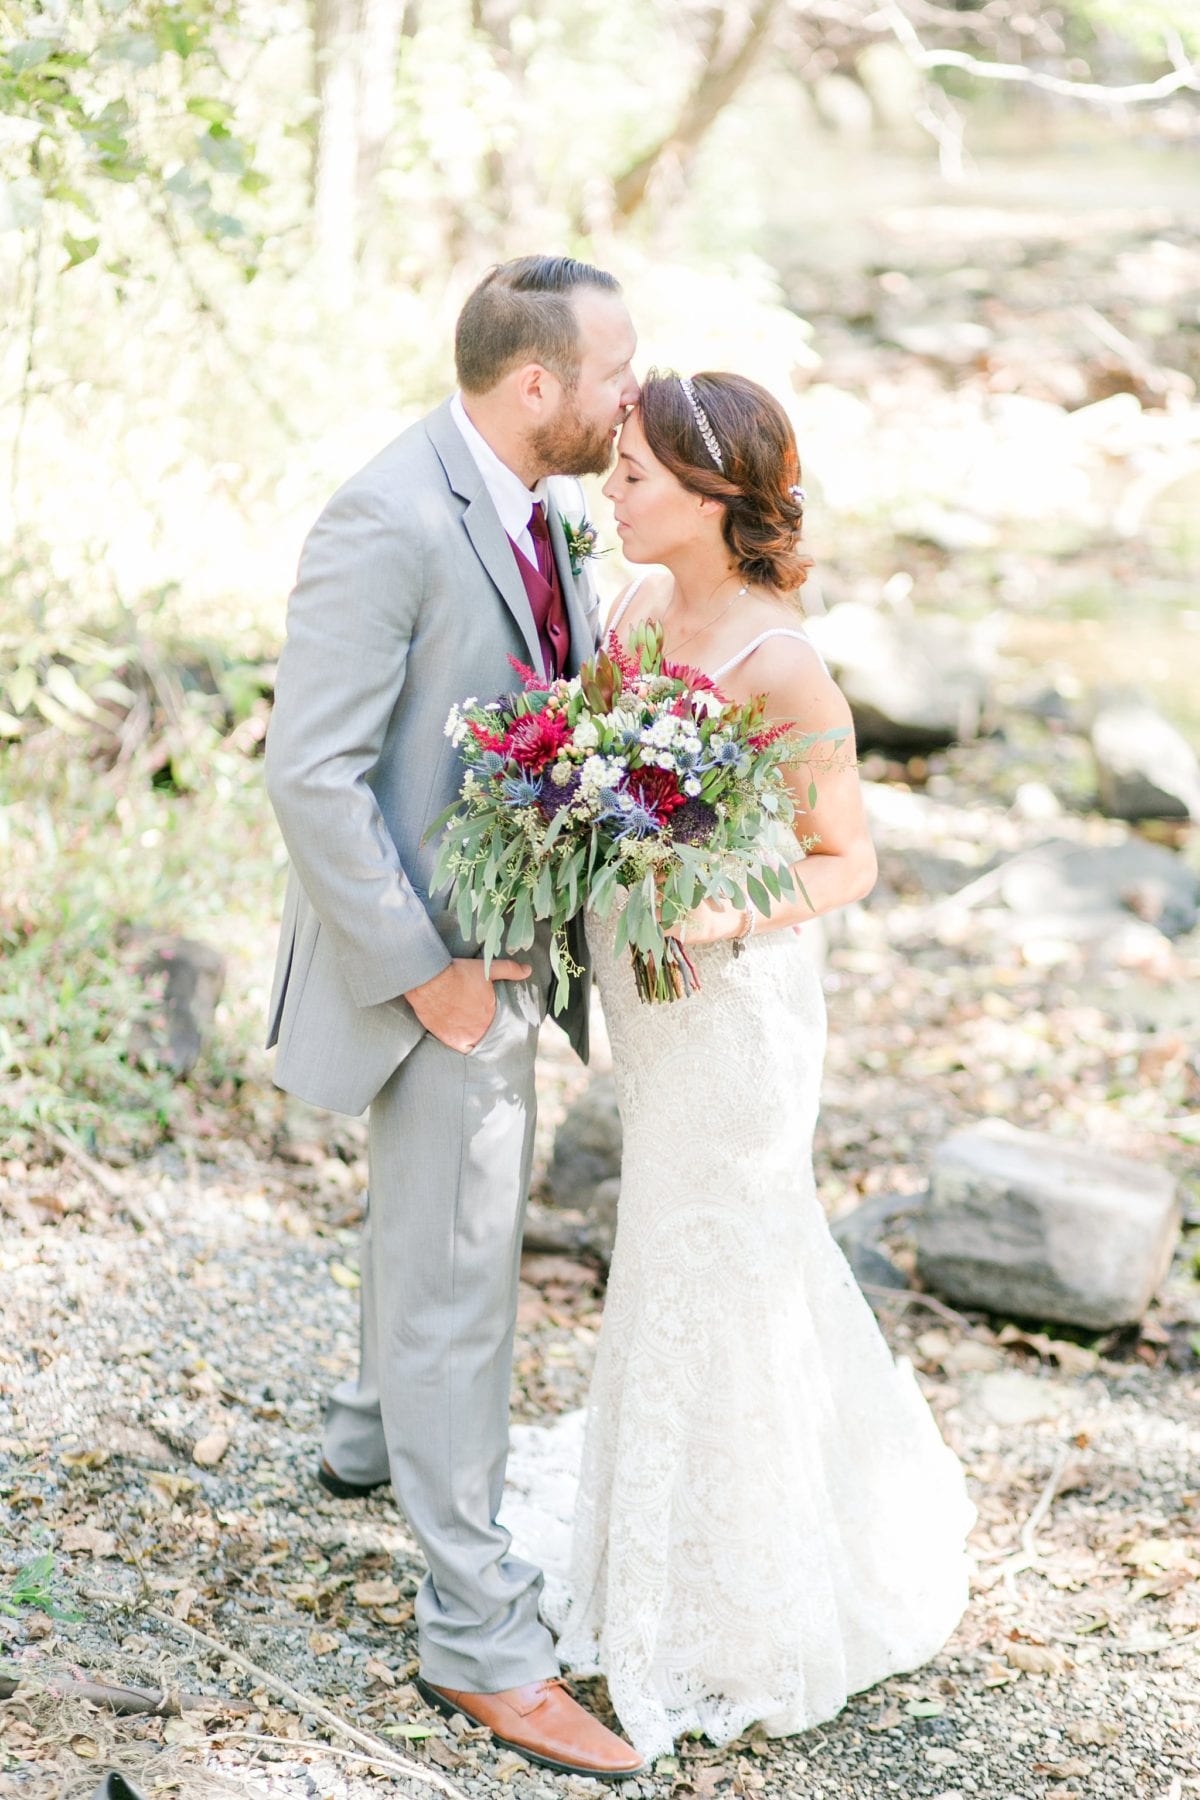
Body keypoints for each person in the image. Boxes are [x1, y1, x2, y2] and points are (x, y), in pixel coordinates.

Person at [540, 371, 974, 1761]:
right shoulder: (629, 615)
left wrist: (720, 910)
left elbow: (848, 859)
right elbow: (594, 787)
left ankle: (734, 1600)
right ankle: (646, 1553)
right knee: (657, 1257)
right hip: (647, 999)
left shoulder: (779, 664)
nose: (614, 493)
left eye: (638, 477)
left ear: (719, 504)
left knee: (720, 1258)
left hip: (735, 1012)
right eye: (614, 468)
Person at [263, 256, 644, 1781]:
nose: (635, 395)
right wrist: (427, 968)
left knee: (425, 1252)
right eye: (616, 370)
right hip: (434, 972)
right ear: (535, 385)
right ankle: (480, 1646)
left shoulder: (545, 507)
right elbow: (311, 774)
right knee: (458, 1284)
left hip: (498, 950)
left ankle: (367, 1437)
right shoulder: (389, 515)